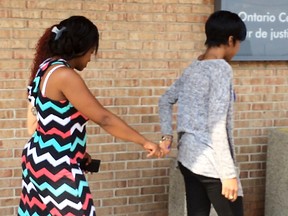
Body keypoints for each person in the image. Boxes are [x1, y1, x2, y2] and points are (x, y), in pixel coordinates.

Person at [18, 15, 163, 216]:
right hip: (56, 164)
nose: (90, 59)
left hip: (39, 156)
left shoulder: (44, 68)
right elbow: (103, 118)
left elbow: (50, 121)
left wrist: (77, 150)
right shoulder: (64, 75)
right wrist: (145, 141)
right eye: (91, 52)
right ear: (81, 47)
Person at [158, 10, 247, 216]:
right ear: (230, 39)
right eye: (238, 43)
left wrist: (167, 135)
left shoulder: (194, 68)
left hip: (189, 160)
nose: (238, 49)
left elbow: (165, 100)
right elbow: (217, 126)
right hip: (212, 164)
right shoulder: (220, 69)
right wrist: (228, 174)